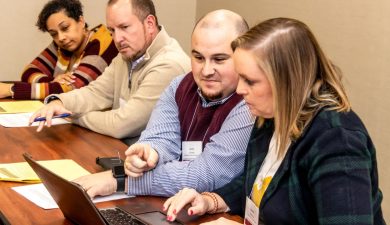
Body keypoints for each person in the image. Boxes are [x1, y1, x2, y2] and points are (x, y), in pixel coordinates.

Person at [163, 18, 386, 225]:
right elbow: (258, 184)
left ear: (286, 82)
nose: (240, 90)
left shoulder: (337, 140)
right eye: (240, 78)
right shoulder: (270, 116)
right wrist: (210, 200)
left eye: (250, 81)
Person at [73, 9, 254, 198]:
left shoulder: (248, 103)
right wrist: (148, 153)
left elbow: (205, 174)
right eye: (198, 58)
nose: (206, 70)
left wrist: (120, 181)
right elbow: (162, 138)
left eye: (219, 59)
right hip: (172, 203)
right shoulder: (179, 86)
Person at [29, 0, 190, 143]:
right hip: (123, 152)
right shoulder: (127, 54)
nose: (117, 39)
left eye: (124, 27)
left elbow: (122, 125)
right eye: (112, 30)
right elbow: (96, 92)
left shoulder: (169, 65)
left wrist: (70, 114)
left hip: (155, 166)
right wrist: (59, 102)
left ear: (149, 23)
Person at [0, 0, 118, 100]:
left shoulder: (101, 43)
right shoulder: (64, 44)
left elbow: (72, 89)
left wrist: (11, 90)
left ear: (81, 21)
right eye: (54, 34)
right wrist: (53, 81)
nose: (60, 38)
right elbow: (28, 72)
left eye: (65, 28)